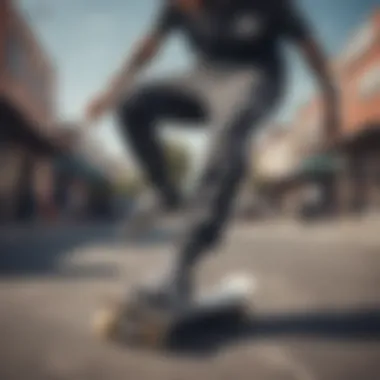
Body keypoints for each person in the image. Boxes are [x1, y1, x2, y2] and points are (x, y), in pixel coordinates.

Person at [86, 0, 339, 308]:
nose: (185, 8)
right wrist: (110, 92)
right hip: (203, 78)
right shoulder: (175, 6)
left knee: (228, 134)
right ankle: (167, 193)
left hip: (257, 77)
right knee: (131, 104)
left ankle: (180, 266)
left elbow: (311, 53)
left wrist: (332, 106)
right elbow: (146, 50)